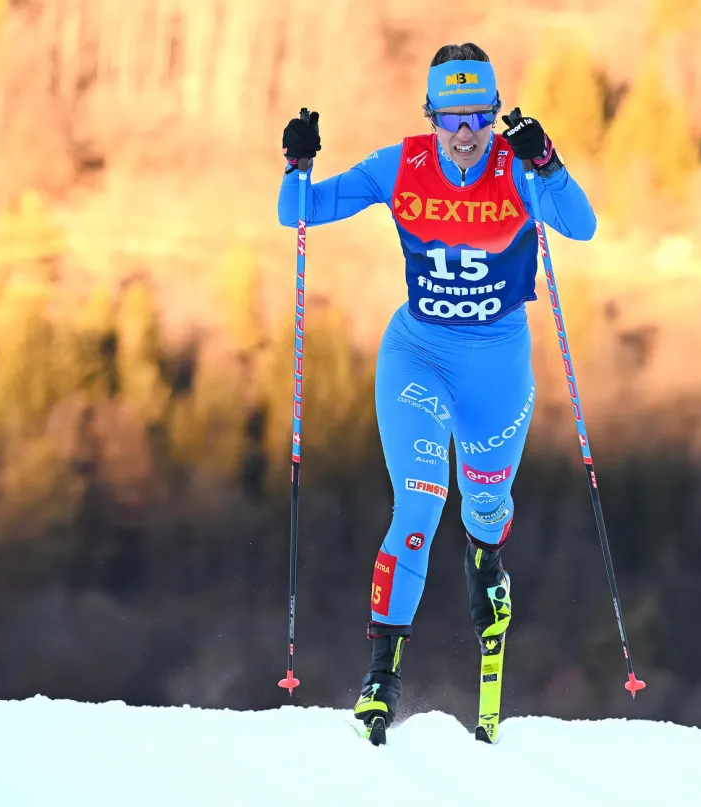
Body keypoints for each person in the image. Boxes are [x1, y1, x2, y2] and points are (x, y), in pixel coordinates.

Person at [277, 41, 596, 734]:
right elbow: (298, 211)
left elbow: (581, 225)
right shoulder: (401, 165)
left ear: (494, 112)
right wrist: (298, 163)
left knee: (485, 506)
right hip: (418, 354)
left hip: (497, 366)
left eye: (478, 116)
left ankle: (486, 558)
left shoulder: (515, 168)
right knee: (419, 504)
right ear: (431, 116)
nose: (465, 132)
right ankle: (381, 676)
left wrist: (548, 162)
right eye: (451, 117)